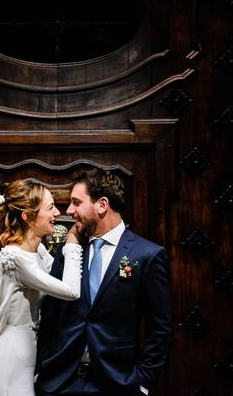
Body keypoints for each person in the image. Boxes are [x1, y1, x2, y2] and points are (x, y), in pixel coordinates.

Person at [36, 169, 171, 396]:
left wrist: (142, 381)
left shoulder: (147, 255)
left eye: (76, 203)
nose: (69, 211)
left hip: (118, 382)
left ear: (102, 205)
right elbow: (51, 313)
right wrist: (42, 368)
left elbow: (160, 328)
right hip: (61, 381)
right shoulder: (69, 251)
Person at [0, 178, 84, 396]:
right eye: (50, 208)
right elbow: (71, 291)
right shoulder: (13, 257)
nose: (57, 214)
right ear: (28, 216)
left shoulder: (36, 249)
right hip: (13, 354)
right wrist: (72, 245)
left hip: (29, 350)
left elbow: (56, 276)